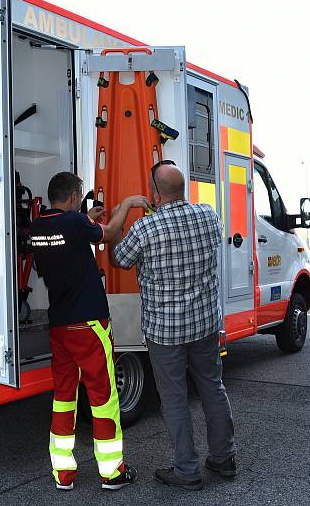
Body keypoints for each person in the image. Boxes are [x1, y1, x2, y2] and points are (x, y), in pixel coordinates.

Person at [110, 161, 238, 491]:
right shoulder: (208, 215)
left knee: (175, 399)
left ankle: (187, 470)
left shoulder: (145, 228)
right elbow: (217, 235)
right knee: (212, 386)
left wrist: (120, 214)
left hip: (166, 332)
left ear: (154, 193)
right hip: (205, 323)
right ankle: (224, 458)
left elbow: (118, 259)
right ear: (182, 189)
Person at [30, 171, 149, 491]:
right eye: (78, 198)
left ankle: (63, 473)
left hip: (60, 326)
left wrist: (84, 218)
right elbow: (109, 233)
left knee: (64, 397)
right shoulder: (74, 224)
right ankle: (112, 472)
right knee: (103, 396)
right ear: (72, 197)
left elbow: (69, 232)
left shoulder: (39, 226)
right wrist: (126, 204)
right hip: (89, 325)